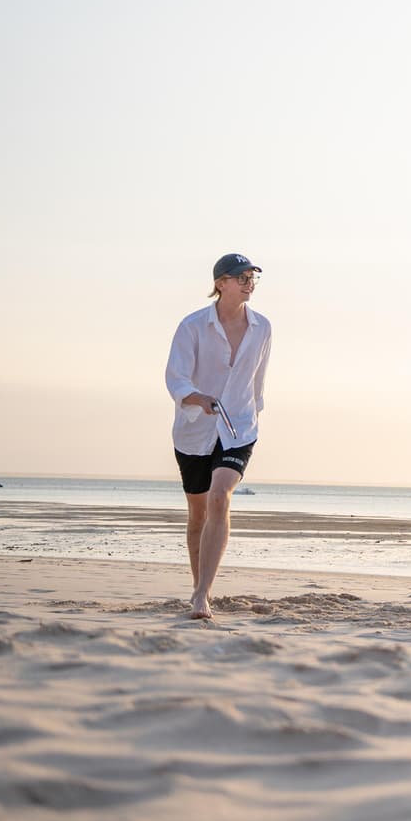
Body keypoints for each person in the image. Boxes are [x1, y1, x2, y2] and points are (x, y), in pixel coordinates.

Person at [164, 253, 271, 620]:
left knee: (220, 496)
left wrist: (254, 411)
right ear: (220, 283)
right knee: (198, 515)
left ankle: (202, 595)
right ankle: (199, 586)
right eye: (241, 276)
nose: (248, 282)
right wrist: (198, 399)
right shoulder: (192, 326)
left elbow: (259, 377)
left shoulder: (263, 327)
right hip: (194, 430)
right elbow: (176, 378)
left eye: (252, 276)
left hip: (239, 426)